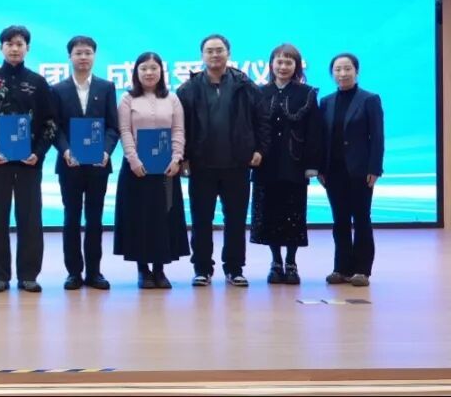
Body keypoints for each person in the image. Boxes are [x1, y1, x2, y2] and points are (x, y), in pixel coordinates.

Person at [0, 25, 58, 293]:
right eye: (9, 44)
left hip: (29, 163)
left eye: (19, 44)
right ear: (1, 48)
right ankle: (0, 275)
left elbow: (50, 123)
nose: (14, 49)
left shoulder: (38, 83)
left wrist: (38, 153)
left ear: (27, 48)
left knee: (30, 218)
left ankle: (28, 275)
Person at [177, 34, 270, 287]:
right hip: (201, 165)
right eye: (209, 51)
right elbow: (180, 127)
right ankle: (202, 268)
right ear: (202, 56)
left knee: (236, 220)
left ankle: (234, 268)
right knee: (201, 220)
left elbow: (262, 120)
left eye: (219, 50)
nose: (215, 55)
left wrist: (260, 149)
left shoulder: (245, 85)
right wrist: (184, 157)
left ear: (228, 53)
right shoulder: (188, 89)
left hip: (237, 164)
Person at [114, 52, 188, 289]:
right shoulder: (127, 99)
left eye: (153, 68)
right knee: (140, 218)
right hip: (137, 169)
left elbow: (178, 130)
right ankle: (143, 270)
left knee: (163, 218)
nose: (149, 73)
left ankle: (160, 269)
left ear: (161, 72)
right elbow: (124, 130)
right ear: (136, 72)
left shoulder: (172, 98)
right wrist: (133, 160)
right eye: (144, 68)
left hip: (166, 169)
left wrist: (176, 158)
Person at [51, 35, 119, 291]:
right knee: (71, 218)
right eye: (78, 53)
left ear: (94, 56)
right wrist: (65, 150)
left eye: (88, 53)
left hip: (98, 165)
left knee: (95, 219)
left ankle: (94, 272)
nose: (83, 57)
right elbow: (54, 127)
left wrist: (106, 151)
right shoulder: (58, 89)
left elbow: (113, 126)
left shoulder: (106, 87)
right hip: (70, 165)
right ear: (70, 56)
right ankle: (73, 273)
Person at [250, 44, 322, 285]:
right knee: (270, 214)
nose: (283, 67)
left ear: (297, 66)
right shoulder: (259, 92)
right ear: (271, 64)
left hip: (295, 164)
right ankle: (275, 262)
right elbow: (251, 128)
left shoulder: (307, 93)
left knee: (293, 214)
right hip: (265, 164)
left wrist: (312, 164)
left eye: (289, 62)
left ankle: (291, 262)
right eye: (279, 62)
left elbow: (314, 131)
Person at [318, 52, 384, 287]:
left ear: (357, 71)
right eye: (337, 69)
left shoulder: (369, 99)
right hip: (333, 171)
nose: (342, 73)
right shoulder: (326, 102)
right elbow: (322, 138)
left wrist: (375, 168)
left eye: (347, 69)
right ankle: (341, 268)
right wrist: (320, 168)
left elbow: (377, 137)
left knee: (362, 218)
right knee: (340, 220)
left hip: (360, 170)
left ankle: (362, 270)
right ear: (332, 74)